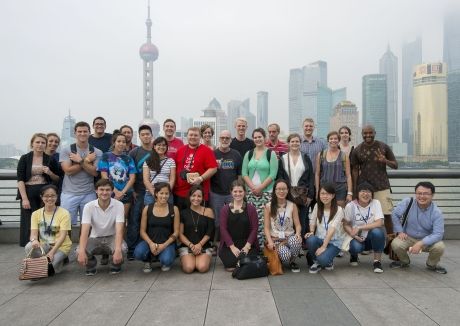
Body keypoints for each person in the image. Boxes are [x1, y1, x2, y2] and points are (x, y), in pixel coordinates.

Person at [390, 182, 447, 274]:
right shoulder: (408, 202)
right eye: (419, 193)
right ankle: (404, 262)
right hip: (408, 236)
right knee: (396, 244)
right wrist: (400, 231)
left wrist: (421, 243)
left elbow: (438, 234)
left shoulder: (437, 212)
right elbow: (395, 214)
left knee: (440, 247)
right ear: (415, 194)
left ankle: (431, 264)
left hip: (427, 239)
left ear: (432, 195)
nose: (422, 196)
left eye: (426, 194)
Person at [350, 125, 397, 233]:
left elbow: (395, 165)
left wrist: (385, 161)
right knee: (365, 216)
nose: (368, 135)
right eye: (365, 133)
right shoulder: (357, 150)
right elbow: (355, 170)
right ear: (362, 134)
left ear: (375, 133)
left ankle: (390, 243)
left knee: (387, 215)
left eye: (370, 133)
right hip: (364, 188)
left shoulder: (383, 146)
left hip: (382, 186)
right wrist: (355, 188)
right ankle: (368, 241)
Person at [17, 133, 60, 246]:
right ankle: (30, 248)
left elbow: (57, 178)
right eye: (37, 142)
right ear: (32, 144)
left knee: (45, 220)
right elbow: (20, 179)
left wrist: (49, 172)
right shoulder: (25, 158)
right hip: (28, 193)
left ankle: (46, 247)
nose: (40, 145)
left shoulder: (50, 159)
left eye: (43, 143)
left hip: (45, 194)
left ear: (45, 145)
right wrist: (24, 198)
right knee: (28, 221)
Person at [77, 179, 127, 275]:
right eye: (101, 189)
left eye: (108, 190)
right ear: (96, 191)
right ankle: (91, 265)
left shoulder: (119, 205)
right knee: (79, 251)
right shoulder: (88, 206)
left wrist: (117, 250)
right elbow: (85, 231)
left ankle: (115, 265)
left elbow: (119, 229)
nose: (104, 192)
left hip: (112, 237)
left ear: (112, 191)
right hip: (94, 238)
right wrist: (82, 251)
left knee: (123, 248)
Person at [60, 121, 103, 226]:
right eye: (79, 131)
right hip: (69, 194)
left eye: (85, 131)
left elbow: (95, 173)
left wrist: (79, 160)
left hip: (89, 193)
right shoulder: (67, 150)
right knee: (66, 225)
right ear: (75, 133)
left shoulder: (97, 152)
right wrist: (87, 160)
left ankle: (84, 243)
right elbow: (68, 171)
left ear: (89, 133)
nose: (82, 134)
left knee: (88, 225)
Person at [242, 128, 278, 248]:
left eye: (260, 137)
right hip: (251, 193)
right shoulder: (249, 153)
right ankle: (253, 247)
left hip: (266, 192)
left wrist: (260, 188)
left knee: (265, 221)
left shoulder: (270, 154)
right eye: (255, 137)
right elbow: (244, 173)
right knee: (252, 220)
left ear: (264, 138)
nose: (257, 139)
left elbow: (273, 174)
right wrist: (253, 188)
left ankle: (264, 248)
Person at [25, 185, 72, 273]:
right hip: (45, 246)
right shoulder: (36, 214)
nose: (49, 199)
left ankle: (60, 260)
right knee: (29, 246)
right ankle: (43, 263)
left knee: (49, 270)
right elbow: (33, 234)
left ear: (57, 197)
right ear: (41, 197)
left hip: (61, 246)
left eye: (52, 196)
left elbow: (63, 236)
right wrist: (34, 240)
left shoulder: (64, 213)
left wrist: (52, 252)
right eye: (46, 196)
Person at [134, 182, 180, 272]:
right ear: (156, 194)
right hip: (150, 242)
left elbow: (176, 232)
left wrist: (164, 245)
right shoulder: (148, 208)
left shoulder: (174, 209)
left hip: (167, 243)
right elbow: (142, 231)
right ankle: (148, 260)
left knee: (167, 260)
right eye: (161, 193)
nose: (164, 196)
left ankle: (162, 258)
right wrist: (151, 243)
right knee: (138, 253)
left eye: (166, 193)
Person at [277, 133, 314, 241]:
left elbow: (311, 177)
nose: (295, 143)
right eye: (292, 141)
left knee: (301, 219)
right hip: (286, 194)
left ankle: (299, 243)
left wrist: (310, 195)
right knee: (287, 219)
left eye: (297, 141)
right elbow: (280, 177)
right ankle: (287, 243)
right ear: (288, 143)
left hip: (302, 195)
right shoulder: (283, 158)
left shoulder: (305, 157)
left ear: (300, 143)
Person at [210, 130, 242, 252]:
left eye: (227, 138)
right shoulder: (213, 154)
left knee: (234, 219)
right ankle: (215, 244)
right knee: (217, 221)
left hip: (232, 193)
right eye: (222, 137)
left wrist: (239, 191)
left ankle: (233, 243)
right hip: (216, 192)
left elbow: (239, 175)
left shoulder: (236, 155)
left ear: (230, 140)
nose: (224, 140)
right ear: (219, 138)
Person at [343, 182, 385, 273]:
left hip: (370, 236)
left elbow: (379, 223)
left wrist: (360, 227)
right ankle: (354, 255)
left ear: (372, 194)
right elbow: (345, 224)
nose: (366, 194)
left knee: (378, 232)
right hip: (357, 237)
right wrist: (354, 235)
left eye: (369, 192)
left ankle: (377, 261)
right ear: (357, 193)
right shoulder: (350, 206)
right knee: (356, 247)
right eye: (362, 191)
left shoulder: (376, 203)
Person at [219, 180, 259, 271]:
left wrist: (247, 247)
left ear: (244, 192)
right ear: (231, 192)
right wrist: (232, 247)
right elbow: (223, 229)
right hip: (230, 244)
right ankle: (242, 265)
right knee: (230, 263)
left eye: (240, 191)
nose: (238, 194)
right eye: (235, 191)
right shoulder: (225, 209)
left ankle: (241, 265)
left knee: (245, 259)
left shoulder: (251, 209)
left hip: (247, 244)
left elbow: (254, 229)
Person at [174, 127, 218, 211]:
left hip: (199, 194)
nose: (193, 137)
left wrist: (201, 178)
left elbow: (213, 168)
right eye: (191, 135)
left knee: (198, 221)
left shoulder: (207, 151)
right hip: (180, 193)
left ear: (200, 137)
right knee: (181, 221)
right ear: (187, 136)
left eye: (196, 135)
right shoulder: (180, 150)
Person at [126, 125, 153, 260]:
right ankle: (131, 249)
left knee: (151, 220)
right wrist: (132, 190)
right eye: (143, 134)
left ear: (151, 135)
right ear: (140, 136)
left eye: (148, 134)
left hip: (154, 192)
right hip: (138, 192)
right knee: (134, 220)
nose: (146, 136)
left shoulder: (157, 150)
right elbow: (127, 173)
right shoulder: (134, 153)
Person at [264, 179, 303, 272]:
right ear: (274, 191)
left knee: (295, 241)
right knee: (286, 255)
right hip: (276, 239)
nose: (281, 191)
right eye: (278, 189)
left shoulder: (292, 205)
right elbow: (266, 228)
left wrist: (298, 233)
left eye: (284, 189)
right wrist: (270, 242)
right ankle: (282, 257)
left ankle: (292, 261)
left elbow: (298, 225)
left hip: (289, 237)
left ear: (288, 190)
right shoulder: (268, 206)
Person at [305, 183, 345, 273]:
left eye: (328, 194)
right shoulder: (317, 206)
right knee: (310, 239)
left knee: (324, 260)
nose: (325, 196)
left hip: (334, 242)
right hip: (320, 239)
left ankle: (326, 260)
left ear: (333, 195)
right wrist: (311, 231)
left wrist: (324, 246)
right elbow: (312, 220)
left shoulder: (339, 210)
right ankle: (316, 262)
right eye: (322, 193)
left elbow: (332, 229)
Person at [98, 133, 136, 220]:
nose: (121, 143)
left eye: (123, 142)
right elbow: (104, 176)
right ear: (114, 142)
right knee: (107, 219)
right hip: (109, 193)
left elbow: (132, 178)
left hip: (126, 194)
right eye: (119, 141)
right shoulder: (106, 156)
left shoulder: (128, 159)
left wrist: (122, 193)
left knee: (122, 220)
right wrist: (116, 192)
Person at [179, 185, 215, 273]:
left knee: (202, 268)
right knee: (188, 268)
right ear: (189, 197)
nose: (196, 198)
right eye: (193, 195)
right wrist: (191, 245)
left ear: (203, 198)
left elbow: (209, 232)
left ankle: (204, 258)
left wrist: (199, 245)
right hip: (187, 246)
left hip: (204, 246)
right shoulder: (183, 213)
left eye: (199, 196)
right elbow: (180, 234)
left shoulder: (208, 211)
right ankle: (187, 259)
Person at [315, 131, 352, 208]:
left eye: (335, 139)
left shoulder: (344, 156)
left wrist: (349, 193)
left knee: (340, 212)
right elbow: (317, 174)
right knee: (325, 211)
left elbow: (348, 176)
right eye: (331, 138)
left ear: (339, 140)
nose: (333, 140)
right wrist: (317, 190)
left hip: (340, 188)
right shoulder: (321, 155)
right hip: (325, 188)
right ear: (328, 140)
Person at [143, 136, 176, 205]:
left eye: (164, 145)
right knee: (150, 214)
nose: (161, 147)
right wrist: (155, 194)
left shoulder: (171, 161)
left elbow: (172, 179)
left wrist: (166, 193)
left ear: (167, 147)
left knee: (167, 214)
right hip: (151, 194)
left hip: (166, 194)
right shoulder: (148, 161)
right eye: (159, 145)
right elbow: (146, 180)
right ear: (154, 147)